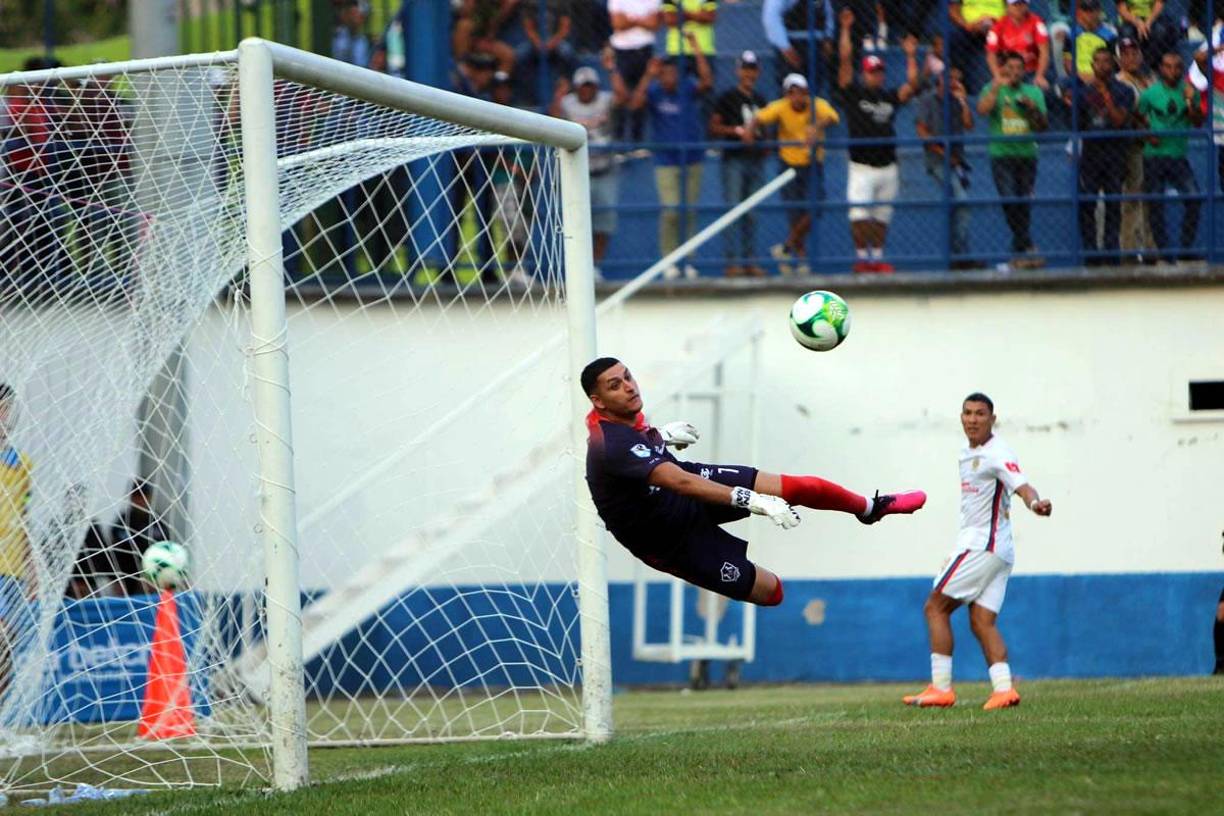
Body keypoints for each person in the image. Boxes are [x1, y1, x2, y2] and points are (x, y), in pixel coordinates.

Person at [582, 357, 927, 606]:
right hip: (667, 538)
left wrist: (659, 436)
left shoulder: (621, 421)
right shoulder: (609, 445)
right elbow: (678, 481)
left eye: (628, 377)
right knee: (772, 592)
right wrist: (753, 500)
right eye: (615, 386)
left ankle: (870, 508)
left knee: (799, 488)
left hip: (683, 493)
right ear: (598, 401)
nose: (629, 387)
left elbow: (643, 454)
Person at [903, 392, 1052, 711]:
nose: (973, 419)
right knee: (982, 621)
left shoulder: (997, 453)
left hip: (983, 544)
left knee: (935, 608)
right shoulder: (966, 451)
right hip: (999, 550)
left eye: (980, 414)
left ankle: (941, 688)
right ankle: (1004, 690)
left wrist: (1035, 503)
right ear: (961, 417)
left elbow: (1022, 485)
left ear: (992, 419)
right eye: (968, 413)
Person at [835, 7, 920, 274]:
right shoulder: (854, 94)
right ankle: (863, 258)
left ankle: (878, 257)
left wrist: (910, 55)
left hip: (887, 165)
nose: (876, 75)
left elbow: (911, 86)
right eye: (872, 72)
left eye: (880, 71)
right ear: (865, 73)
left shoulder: (888, 97)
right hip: (862, 165)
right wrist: (846, 29)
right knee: (859, 214)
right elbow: (845, 62)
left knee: (882, 215)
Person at [628, 36, 712, 278]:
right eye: (664, 72)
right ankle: (669, 260)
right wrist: (648, 75)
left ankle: (688, 260)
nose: (669, 76)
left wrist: (696, 47)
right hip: (665, 158)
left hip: (693, 156)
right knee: (671, 209)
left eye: (673, 71)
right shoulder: (654, 91)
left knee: (689, 211)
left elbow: (707, 81)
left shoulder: (687, 86)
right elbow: (634, 104)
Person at [748, 73, 840, 276]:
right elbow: (759, 117)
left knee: (816, 205)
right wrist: (749, 130)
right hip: (789, 166)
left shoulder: (817, 104)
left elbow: (833, 117)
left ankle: (786, 248)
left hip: (812, 164)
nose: (797, 97)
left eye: (801, 92)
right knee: (795, 214)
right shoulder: (780, 106)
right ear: (787, 94)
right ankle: (801, 260)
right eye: (792, 92)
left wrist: (816, 126)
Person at [552, 53, 628, 277]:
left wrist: (612, 69)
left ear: (596, 86)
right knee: (575, 220)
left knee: (604, 220)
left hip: (604, 168)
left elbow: (623, 97)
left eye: (590, 86)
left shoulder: (605, 99)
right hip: (577, 171)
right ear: (576, 88)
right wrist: (558, 94)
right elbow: (551, 118)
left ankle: (594, 266)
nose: (586, 90)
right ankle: (577, 266)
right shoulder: (567, 102)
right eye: (583, 86)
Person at [978, 50, 1047, 269]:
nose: (1015, 72)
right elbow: (982, 110)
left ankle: (1020, 253)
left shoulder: (1033, 92)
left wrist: (1033, 109)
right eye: (1011, 68)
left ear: (1025, 71)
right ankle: (1027, 247)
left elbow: (1042, 127)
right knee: (1009, 199)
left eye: (1019, 68)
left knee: (1023, 203)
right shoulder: (992, 88)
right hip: (1002, 154)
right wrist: (996, 88)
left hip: (1027, 155)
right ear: (1003, 69)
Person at [1067, 47, 1134, 266]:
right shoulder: (1081, 93)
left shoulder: (1124, 90)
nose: (1102, 65)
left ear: (1113, 64)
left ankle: (1111, 252)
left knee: (1113, 204)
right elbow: (1077, 126)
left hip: (1115, 154)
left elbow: (1119, 120)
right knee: (1087, 204)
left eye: (1106, 61)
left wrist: (1105, 96)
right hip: (1091, 156)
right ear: (1092, 65)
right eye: (1098, 61)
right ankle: (1091, 253)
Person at [1138, 52, 1203, 263]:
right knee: (1156, 204)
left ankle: (1185, 249)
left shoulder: (1190, 92)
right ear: (1161, 68)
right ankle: (1164, 252)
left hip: (1178, 156)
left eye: (1176, 67)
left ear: (1182, 69)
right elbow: (1136, 118)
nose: (1172, 71)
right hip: (1154, 157)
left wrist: (1190, 101)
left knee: (1194, 198)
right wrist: (1147, 134)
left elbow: (1198, 122)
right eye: (1167, 66)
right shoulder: (1150, 94)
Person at [709, 51, 768, 277]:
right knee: (733, 209)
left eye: (752, 69)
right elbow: (714, 127)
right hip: (734, 159)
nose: (749, 74)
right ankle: (733, 261)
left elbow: (766, 128)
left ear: (758, 72)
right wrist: (737, 131)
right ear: (738, 71)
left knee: (752, 213)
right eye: (745, 69)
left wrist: (764, 143)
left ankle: (749, 260)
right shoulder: (727, 98)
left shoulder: (760, 99)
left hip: (756, 160)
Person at [915, 66, 979, 270]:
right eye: (949, 78)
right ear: (940, 79)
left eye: (956, 79)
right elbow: (922, 131)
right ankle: (961, 256)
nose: (953, 82)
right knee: (961, 201)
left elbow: (969, 125)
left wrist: (963, 102)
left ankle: (956, 256)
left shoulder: (957, 101)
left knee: (955, 208)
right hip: (938, 160)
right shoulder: (928, 100)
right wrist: (943, 152)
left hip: (958, 161)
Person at [0, 384, 33, 696]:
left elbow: (23, 519)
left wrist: (32, 569)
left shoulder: (20, 463)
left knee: (9, 640)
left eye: (8, 409)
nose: (5, 415)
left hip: (13, 569)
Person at [1115, 35, 1156, 262]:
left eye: (1134, 53)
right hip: (1132, 147)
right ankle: (1129, 250)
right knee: (1132, 198)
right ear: (1119, 59)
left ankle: (1150, 247)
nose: (1131, 57)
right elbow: (1129, 116)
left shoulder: (1149, 80)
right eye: (1126, 54)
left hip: (1153, 147)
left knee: (1151, 199)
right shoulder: (1119, 81)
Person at [608, 0, 661, 143]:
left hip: (645, 50)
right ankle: (618, 141)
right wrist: (642, 21)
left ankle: (637, 142)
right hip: (621, 52)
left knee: (640, 97)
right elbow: (618, 23)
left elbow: (654, 23)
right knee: (620, 96)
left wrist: (629, 20)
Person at [111, 480, 169, 596]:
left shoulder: (158, 522)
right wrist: (116, 580)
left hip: (153, 581)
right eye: (136, 497)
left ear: (149, 498)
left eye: (143, 496)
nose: (140, 501)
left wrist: (157, 577)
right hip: (127, 581)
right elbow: (115, 553)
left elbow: (165, 552)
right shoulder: (123, 521)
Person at [761, 0, 835, 92]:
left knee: (815, 88)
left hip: (816, 46)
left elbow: (828, 14)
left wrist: (828, 37)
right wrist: (785, 47)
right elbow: (771, 16)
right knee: (792, 88)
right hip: (793, 45)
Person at [985, 0, 1050, 90]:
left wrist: (1039, 75)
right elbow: (991, 55)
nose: (1019, 7)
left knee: (1041, 87)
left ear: (1027, 5)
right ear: (1007, 6)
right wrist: (997, 76)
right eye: (1015, 4)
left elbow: (1044, 52)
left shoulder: (1037, 23)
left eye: (1022, 3)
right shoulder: (998, 26)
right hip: (1008, 72)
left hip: (1030, 71)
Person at [947, 0, 1005, 94]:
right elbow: (952, 9)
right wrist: (967, 25)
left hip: (998, 27)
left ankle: (1003, 81)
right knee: (955, 36)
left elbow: (1014, 7)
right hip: (970, 28)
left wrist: (997, 24)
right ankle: (957, 79)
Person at [451, 0, 518, 73]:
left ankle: (498, 79)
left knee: (508, 56)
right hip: (468, 38)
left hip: (484, 40)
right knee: (464, 26)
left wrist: (507, 6)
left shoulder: (503, 6)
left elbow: (491, 31)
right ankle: (460, 70)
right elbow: (465, 13)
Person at [1116, 0, 1179, 73]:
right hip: (1130, 19)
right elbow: (1122, 9)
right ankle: (1132, 67)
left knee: (1161, 31)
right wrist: (1138, 23)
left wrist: (1148, 22)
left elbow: (1159, 4)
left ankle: (1146, 65)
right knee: (1127, 32)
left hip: (1152, 18)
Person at [1064, 0, 1116, 82]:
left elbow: (1112, 62)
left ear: (1099, 11)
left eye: (1092, 10)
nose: (1089, 14)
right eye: (1086, 10)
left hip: (1102, 77)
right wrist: (1079, 75)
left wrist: (1096, 77)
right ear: (1080, 12)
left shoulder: (1109, 36)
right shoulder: (1071, 34)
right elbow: (1067, 61)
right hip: (1077, 78)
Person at [332, 0, 373, 68]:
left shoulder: (363, 41)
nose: (354, 18)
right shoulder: (337, 36)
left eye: (359, 15)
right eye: (352, 14)